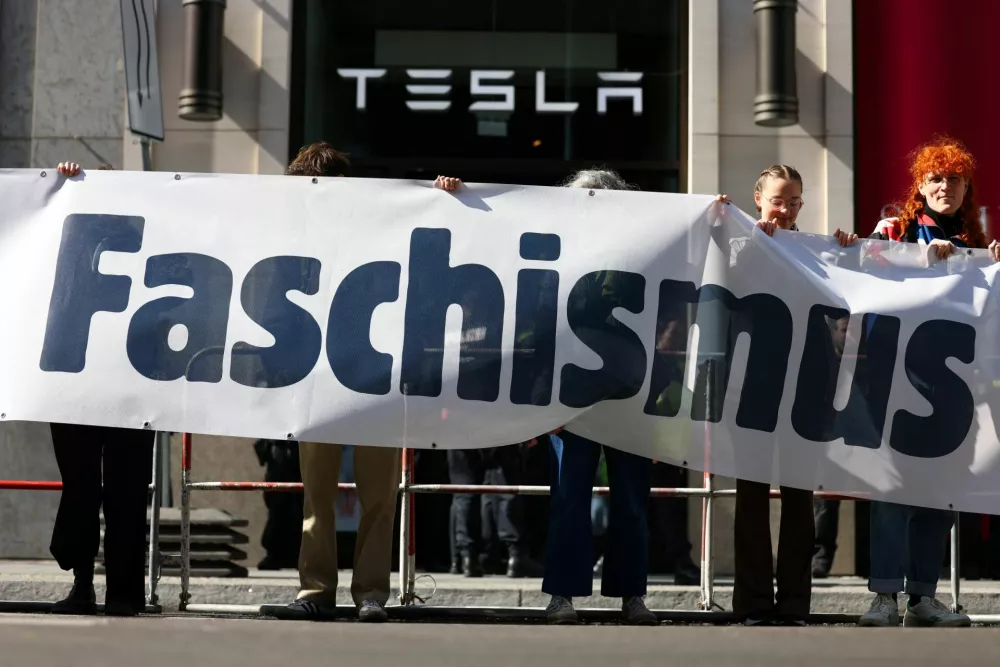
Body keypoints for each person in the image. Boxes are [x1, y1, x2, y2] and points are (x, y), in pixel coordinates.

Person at [281, 142, 463, 622]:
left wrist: (446, 199)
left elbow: (433, 240)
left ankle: (369, 593)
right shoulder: (293, 231)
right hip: (317, 370)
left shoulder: (382, 223)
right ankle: (316, 590)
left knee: (379, 491)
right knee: (316, 489)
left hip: (377, 372)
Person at [859, 137, 999, 628]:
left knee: (940, 489)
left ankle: (923, 596)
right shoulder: (896, 227)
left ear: (966, 188)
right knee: (892, 485)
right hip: (896, 379)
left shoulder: (976, 240)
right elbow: (864, 265)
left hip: (954, 386)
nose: (946, 186)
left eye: (955, 179)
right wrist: (917, 258)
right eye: (936, 178)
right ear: (921, 185)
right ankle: (884, 596)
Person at [718, 165, 857, 627]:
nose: (786, 209)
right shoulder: (740, 243)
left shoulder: (814, 250)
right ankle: (754, 604)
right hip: (753, 384)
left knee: (800, 498)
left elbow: (846, 300)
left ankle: (795, 604)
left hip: (806, 384)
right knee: (752, 495)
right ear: (757, 198)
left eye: (795, 201)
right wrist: (744, 240)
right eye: (779, 199)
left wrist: (848, 251)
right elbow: (719, 285)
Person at [542, 169, 657, 627]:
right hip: (570, 397)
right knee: (568, 496)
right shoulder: (556, 250)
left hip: (629, 393)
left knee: (632, 499)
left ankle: (632, 595)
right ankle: (562, 595)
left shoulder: (645, 251)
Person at [48, 161, 155, 617]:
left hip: (131, 379)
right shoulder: (68, 238)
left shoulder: (153, 239)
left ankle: (123, 592)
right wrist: (60, 182)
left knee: (127, 490)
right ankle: (85, 585)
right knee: (81, 487)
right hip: (77, 376)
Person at [448, 444, 543, 578]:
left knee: (465, 490)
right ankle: (515, 556)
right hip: (497, 430)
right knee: (505, 486)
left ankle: (468, 558)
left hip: (460, 431)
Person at [253, 438, 303, 570]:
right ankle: (274, 555)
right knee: (276, 516)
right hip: (277, 481)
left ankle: (298, 556)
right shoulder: (273, 442)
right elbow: (260, 445)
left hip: (297, 482)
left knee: (298, 518)